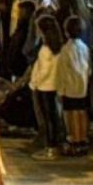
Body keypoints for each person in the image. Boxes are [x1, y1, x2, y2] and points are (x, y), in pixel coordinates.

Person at [30, 14, 65, 161]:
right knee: (53, 116)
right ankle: (53, 145)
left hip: (44, 86)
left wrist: (35, 83)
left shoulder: (45, 49)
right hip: (54, 84)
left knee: (48, 117)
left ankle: (51, 147)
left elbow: (43, 70)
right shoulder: (58, 47)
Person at [56, 16, 91, 157]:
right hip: (82, 85)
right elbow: (89, 67)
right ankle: (83, 138)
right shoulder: (84, 47)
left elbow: (63, 71)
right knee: (81, 111)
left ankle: (75, 140)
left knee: (72, 113)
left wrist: (60, 89)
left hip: (69, 87)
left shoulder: (66, 49)